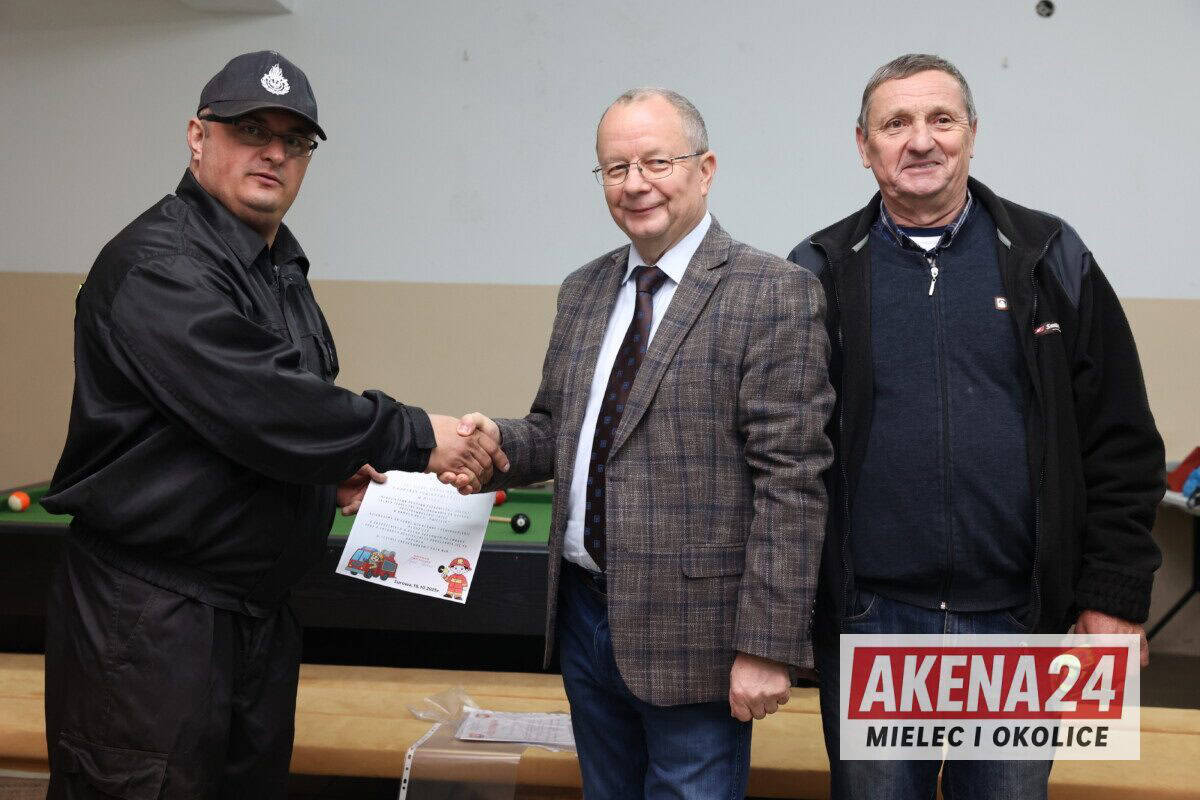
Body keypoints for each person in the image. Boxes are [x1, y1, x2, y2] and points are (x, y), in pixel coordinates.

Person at [41, 50, 505, 798]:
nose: (275, 153)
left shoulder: (276, 265)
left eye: (295, 140)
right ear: (198, 137)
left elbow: (245, 427)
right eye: (251, 130)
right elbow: (266, 404)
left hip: (254, 622)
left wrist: (327, 475)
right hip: (153, 623)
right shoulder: (159, 262)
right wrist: (420, 435)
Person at [786, 53, 1164, 800]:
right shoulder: (818, 270)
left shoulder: (1051, 257)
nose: (921, 140)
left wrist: (1113, 594)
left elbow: (1120, 439)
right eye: (896, 123)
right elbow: (783, 455)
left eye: (942, 119)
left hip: (1018, 620)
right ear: (863, 145)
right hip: (872, 622)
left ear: (972, 134)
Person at [456, 88, 834, 799]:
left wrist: (767, 646)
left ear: (705, 169)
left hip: (701, 639)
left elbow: (791, 481)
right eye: (615, 168)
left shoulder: (773, 292)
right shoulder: (584, 290)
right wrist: (491, 442)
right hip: (584, 618)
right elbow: (557, 431)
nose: (635, 184)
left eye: (657, 162)